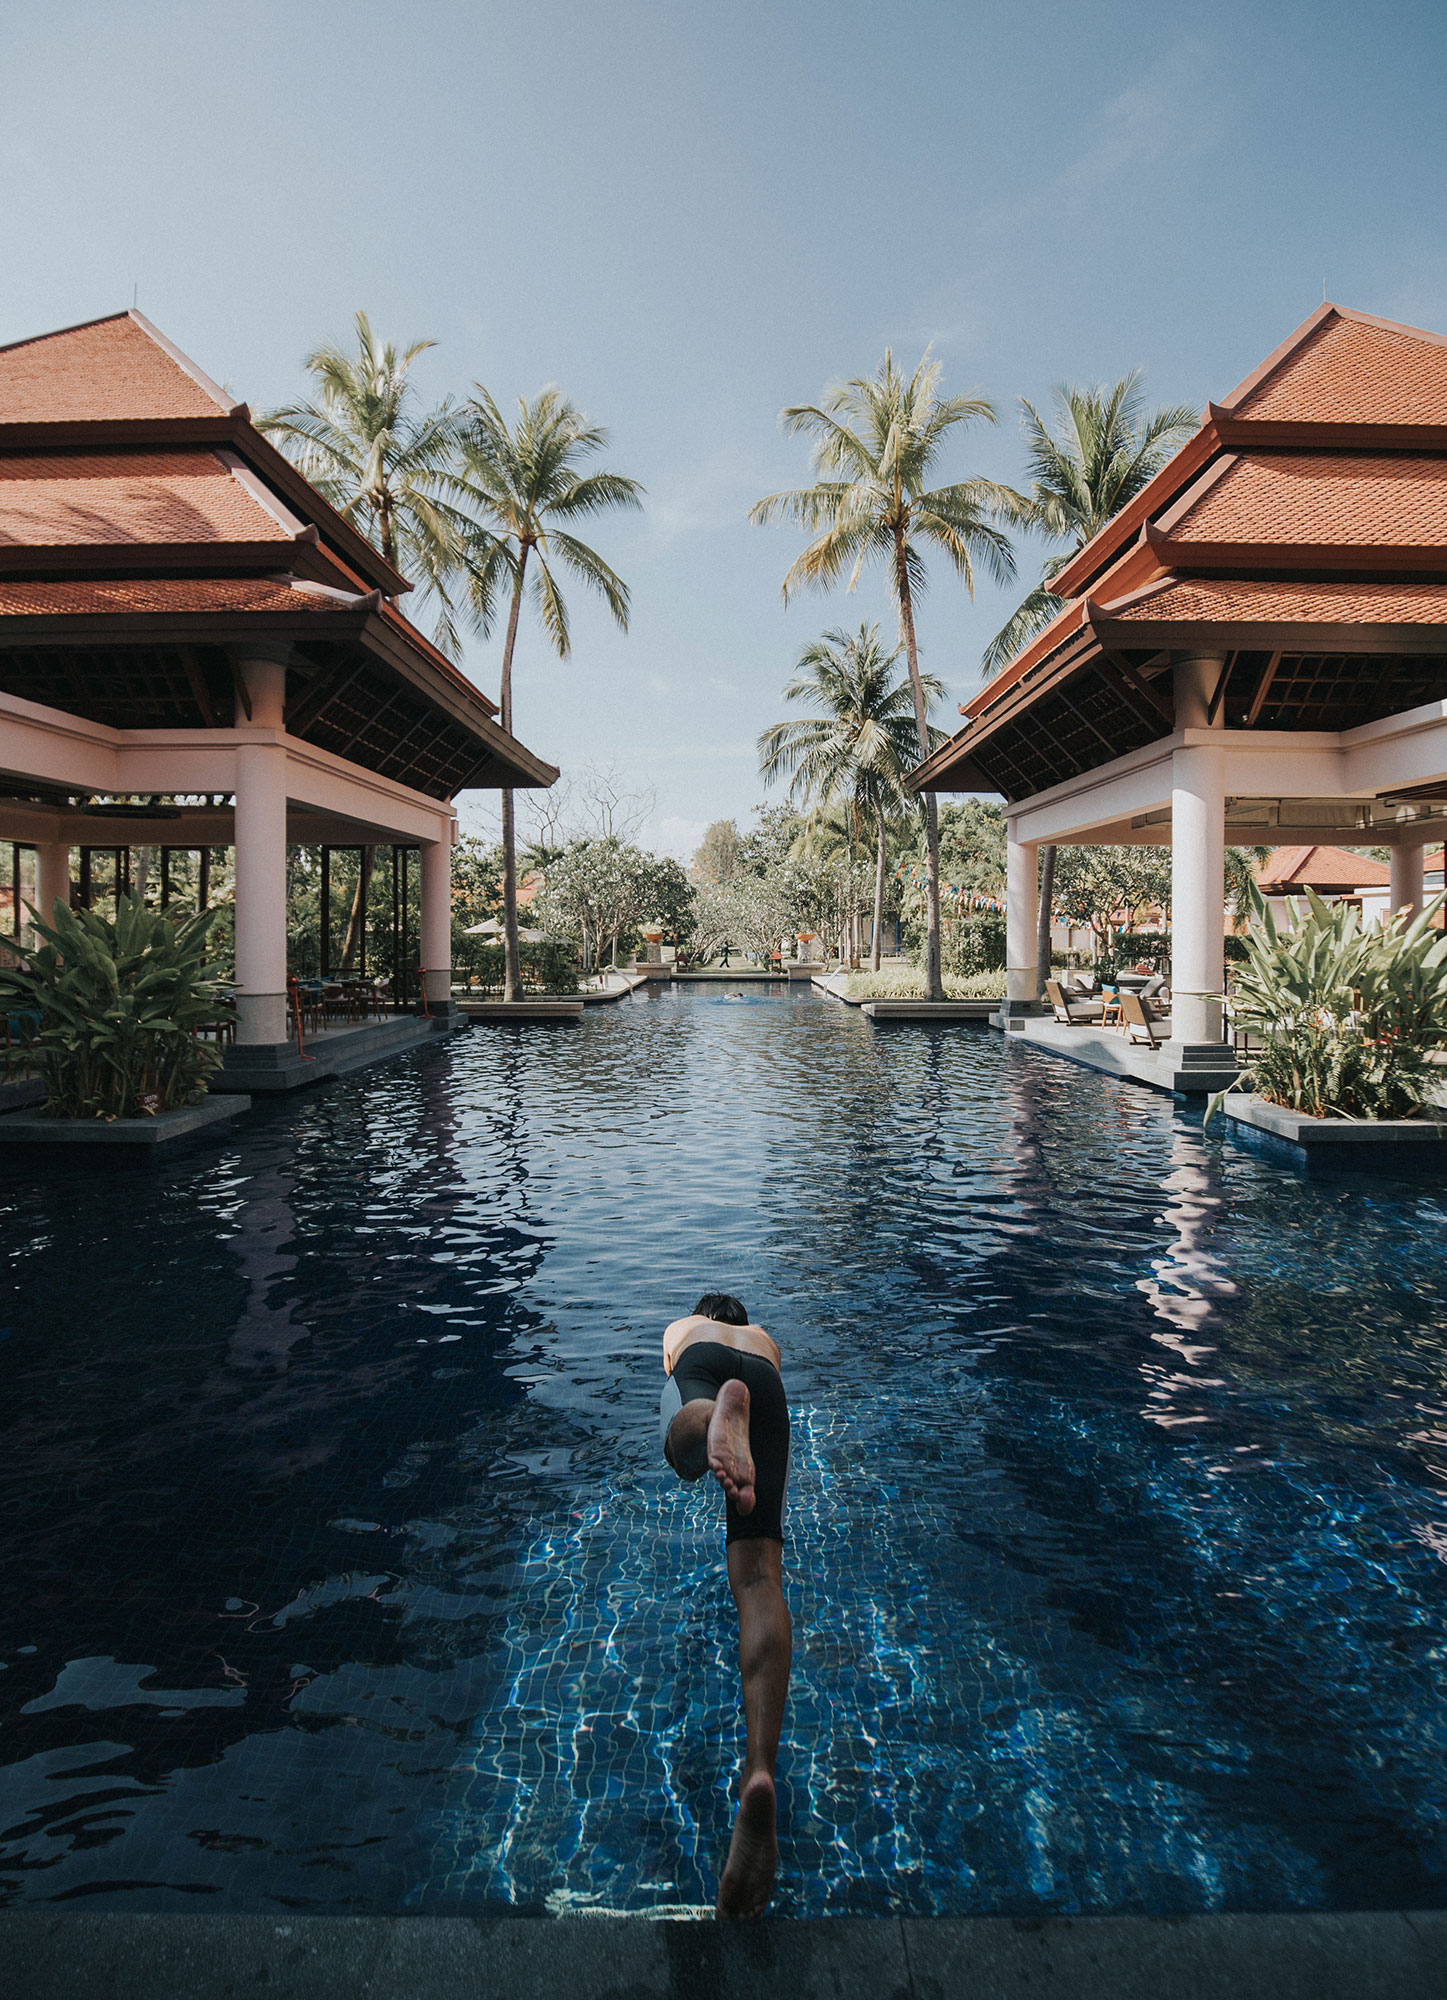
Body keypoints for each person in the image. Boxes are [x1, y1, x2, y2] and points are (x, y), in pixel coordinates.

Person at [659, 1292, 792, 1917]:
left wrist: (703, 1392)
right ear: (745, 1322)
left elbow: (671, 1361)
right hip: (766, 1386)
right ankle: (759, 1768)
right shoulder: (765, 1341)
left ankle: (708, 1417)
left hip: (706, 1374)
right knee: (761, 1578)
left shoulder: (683, 1330)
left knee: (682, 1451)